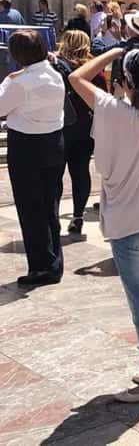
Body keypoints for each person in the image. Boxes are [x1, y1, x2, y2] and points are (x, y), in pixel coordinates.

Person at [69, 47, 139, 403]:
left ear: (130, 84)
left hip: (132, 223)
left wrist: (114, 51)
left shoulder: (116, 113)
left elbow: (76, 78)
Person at [0, 30, 66, 286]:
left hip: (27, 146)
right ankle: (54, 262)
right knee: (50, 205)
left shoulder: (19, 82)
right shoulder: (54, 72)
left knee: (30, 208)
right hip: (53, 142)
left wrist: (7, 81)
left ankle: (41, 267)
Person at [53, 30, 106, 234]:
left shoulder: (55, 69)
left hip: (59, 127)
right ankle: (77, 216)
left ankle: (54, 214)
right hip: (85, 129)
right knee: (81, 172)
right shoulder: (95, 72)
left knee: (56, 175)